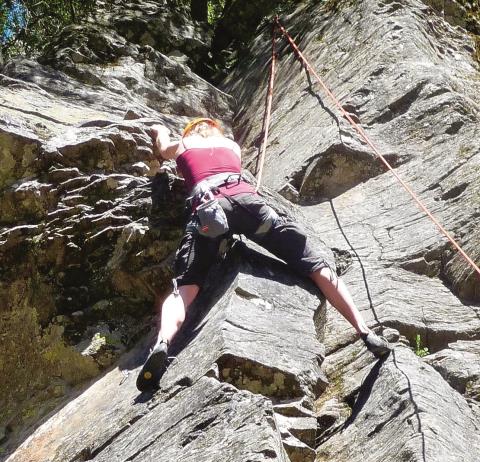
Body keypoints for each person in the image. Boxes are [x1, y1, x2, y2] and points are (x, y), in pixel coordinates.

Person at [136, 117, 391, 391]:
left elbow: (163, 148)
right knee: (317, 264)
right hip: (248, 204)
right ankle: (364, 331)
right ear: (215, 130)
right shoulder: (230, 146)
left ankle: (163, 342)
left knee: (184, 288)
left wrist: (157, 130)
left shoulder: (184, 143)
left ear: (190, 132)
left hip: (208, 210)